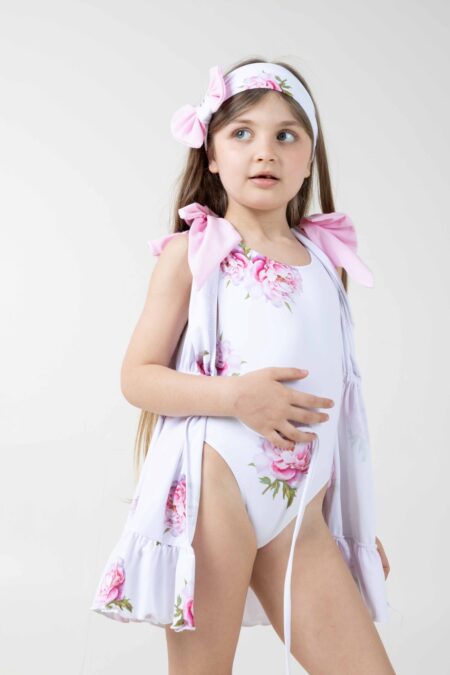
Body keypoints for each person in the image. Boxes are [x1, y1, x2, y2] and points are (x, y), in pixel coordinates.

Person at [90, 57, 396, 674]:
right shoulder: (193, 253)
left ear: (309, 160)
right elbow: (137, 376)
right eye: (242, 133)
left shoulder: (323, 259)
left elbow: (336, 406)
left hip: (302, 513)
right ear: (210, 154)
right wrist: (236, 398)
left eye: (286, 135)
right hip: (216, 490)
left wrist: (348, 521)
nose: (265, 151)